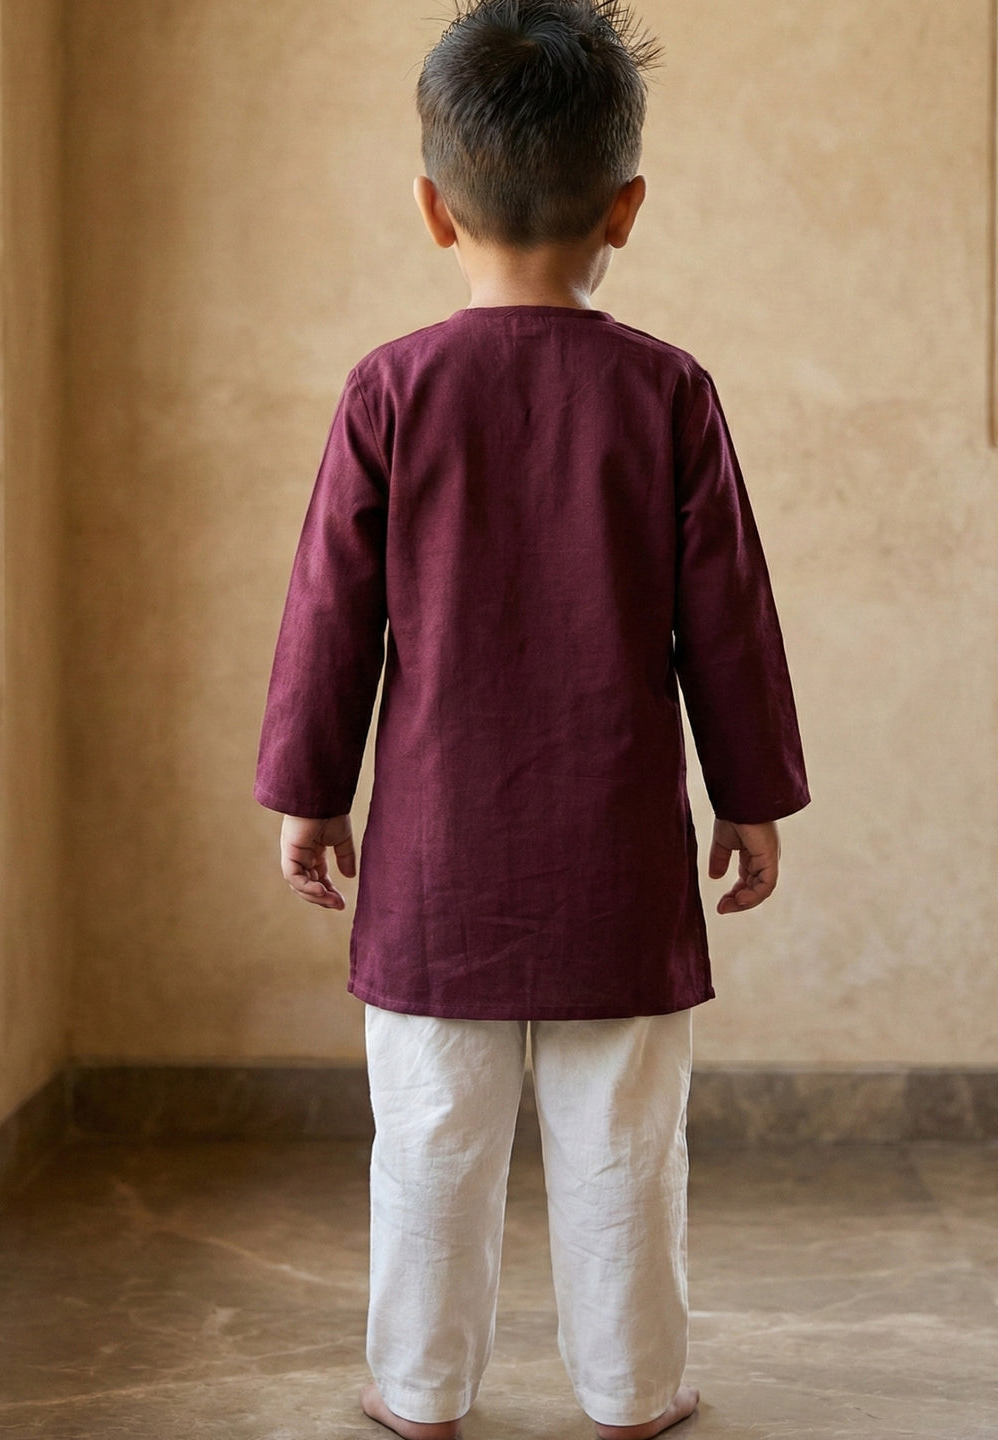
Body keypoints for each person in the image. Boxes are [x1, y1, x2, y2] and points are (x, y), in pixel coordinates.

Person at [254, 2, 810, 1436]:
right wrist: (748, 795)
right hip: (616, 852)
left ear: (431, 206)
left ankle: (419, 1390)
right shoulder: (669, 392)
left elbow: (330, 615)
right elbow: (728, 621)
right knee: (624, 1142)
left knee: (431, 1142)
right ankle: (631, 1392)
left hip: (437, 858)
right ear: (628, 204)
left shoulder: (391, 389)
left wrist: (310, 791)